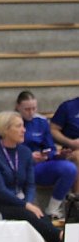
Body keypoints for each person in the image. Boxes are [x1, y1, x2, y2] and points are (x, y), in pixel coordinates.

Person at [0, 111, 63, 242]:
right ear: (5, 130)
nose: (24, 130)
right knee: (29, 213)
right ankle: (60, 238)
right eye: (18, 126)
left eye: (23, 126)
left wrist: (27, 202)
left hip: (21, 202)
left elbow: (30, 184)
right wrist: (25, 205)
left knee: (36, 213)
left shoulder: (25, 152)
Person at [16, 90, 76, 218]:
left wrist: (57, 154)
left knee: (70, 168)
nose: (31, 112)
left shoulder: (41, 121)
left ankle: (53, 208)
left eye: (34, 108)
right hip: (18, 165)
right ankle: (22, 204)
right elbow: (3, 150)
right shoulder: (9, 122)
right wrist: (28, 156)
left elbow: (50, 148)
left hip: (39, 165)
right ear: (18, 107)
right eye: (27, 109)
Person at [50, 95, 79, 189]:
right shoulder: (68, 107)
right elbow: (53, 130)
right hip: (72, 149)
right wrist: (71, 142)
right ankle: (77, 195)